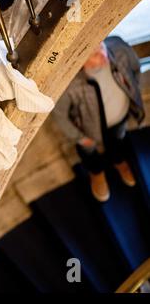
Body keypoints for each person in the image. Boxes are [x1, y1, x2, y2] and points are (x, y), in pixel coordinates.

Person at [53, 36, 145, 202]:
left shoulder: (117, 48)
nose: (103, 54)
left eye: (100, 46)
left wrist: (131, 97)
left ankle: (118, 162)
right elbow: (60, 114)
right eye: (93, 54)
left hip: (120, 118)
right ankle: (96, 172)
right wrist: (80, 138)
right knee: (88, 152)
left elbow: (135, 69)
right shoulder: (68, 83)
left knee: (117, 142)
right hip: (88, 130)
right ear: (79, 62)